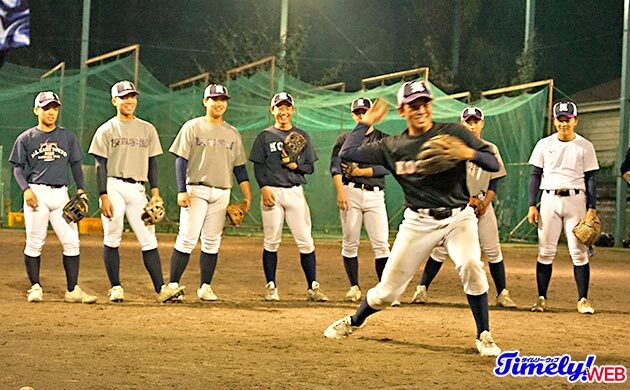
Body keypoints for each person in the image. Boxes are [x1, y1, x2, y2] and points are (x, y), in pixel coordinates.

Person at [323, 80, 503, 357]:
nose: (420, 109)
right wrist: (365, 123)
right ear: (402, 110)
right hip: (418, 222)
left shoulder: (453, 132)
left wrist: (467, 153)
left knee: (471, 265)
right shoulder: (392, 147)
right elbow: (347, 154)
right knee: (387, 293)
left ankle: (484, 335)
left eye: (424, 103)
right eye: (413, 104)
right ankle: (353, 321)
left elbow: (492, 162)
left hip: (459, 217)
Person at [88, 80, 184, 303]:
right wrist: (103, 195)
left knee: (148, 238)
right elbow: (100, 165)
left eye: (132, 96)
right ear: (114, 101)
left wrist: (156, 192)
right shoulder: (106, 129)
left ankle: (161, 289)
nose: (129, 100)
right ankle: (116, 287)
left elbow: (153, 164)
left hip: (138, 188)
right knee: (113, 234)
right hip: (113, 185)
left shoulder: (147, 129)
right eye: (124, 97)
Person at [411, 106, 516, 308]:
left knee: (493, 250)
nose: (472, 125)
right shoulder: (451, 148)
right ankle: (422, 288)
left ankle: (503, 293)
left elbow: (494, 182)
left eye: (476, 121)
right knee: (441, 250)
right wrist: (468, 200)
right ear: (462, 124)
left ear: (482, 124)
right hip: (457, 205)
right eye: (468, 121)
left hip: (483, 207)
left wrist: (485, 203)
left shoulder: (489, 149)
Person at [9, 91, 97, 303]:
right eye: (46, 108)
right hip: (37, 193)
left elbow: (76, 165)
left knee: (72, 242)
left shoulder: (67, 136)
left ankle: (72, 290)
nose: (51, 112)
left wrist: (81, 190)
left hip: (62, 194)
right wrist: (26, 189)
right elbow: (18, 169)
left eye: (54, 108)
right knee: (34, 242)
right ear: (36, 110)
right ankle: (35, 287)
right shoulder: (26, 138)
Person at [166, 84, 251, 301]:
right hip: (196, 189)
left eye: (222, 99)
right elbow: (180, 160)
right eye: (214, 99)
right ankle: (173, 285)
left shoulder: (232, 133)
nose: (219, 103)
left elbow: (239, 167)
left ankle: (205, 287)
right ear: (205, 102)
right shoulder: (192, 127)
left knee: (212, 240)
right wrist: (181, 190)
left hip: (222, 191)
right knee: (187, 238)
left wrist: (247, 194)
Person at [249, 92, 328, 302]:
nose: (283, 111)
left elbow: (310, 167)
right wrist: (263, 187)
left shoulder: (302, 135)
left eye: (287, 107)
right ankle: (271, 286)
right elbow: (257, 166)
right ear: (272, 110)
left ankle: (313, 287)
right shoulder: (264, 136)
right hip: (272, 193)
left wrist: (295, 166)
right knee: (271, 241)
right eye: (279, 107)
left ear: (292, 110)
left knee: (305, 241)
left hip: (294, 192)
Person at [527, 101, 599, 314]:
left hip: (576, 200)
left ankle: (583, 300)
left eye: (568, 119)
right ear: (554, 120)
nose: (564, 123)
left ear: (575, 120)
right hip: (549, 199)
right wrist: (532, 204)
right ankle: (541, 298)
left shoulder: (585, 146)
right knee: (545, 251)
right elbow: (534, 175)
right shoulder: (544, 144)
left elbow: (591, 179)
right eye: (560, 119)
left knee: (579, 252)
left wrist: (592, 207)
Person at [330, 97, 393, 305]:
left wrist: (361, 171)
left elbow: (388, 167)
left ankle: (385, 291)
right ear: (352, 115)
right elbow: (335, 167)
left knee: (382, 244)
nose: (361, 115)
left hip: (375, 194)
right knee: (350, 242)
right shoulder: (344, 139)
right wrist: (340, 191)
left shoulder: (383, 139)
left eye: (364, 112)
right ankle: (354, 287)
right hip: (351, 192)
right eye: (357, 112)